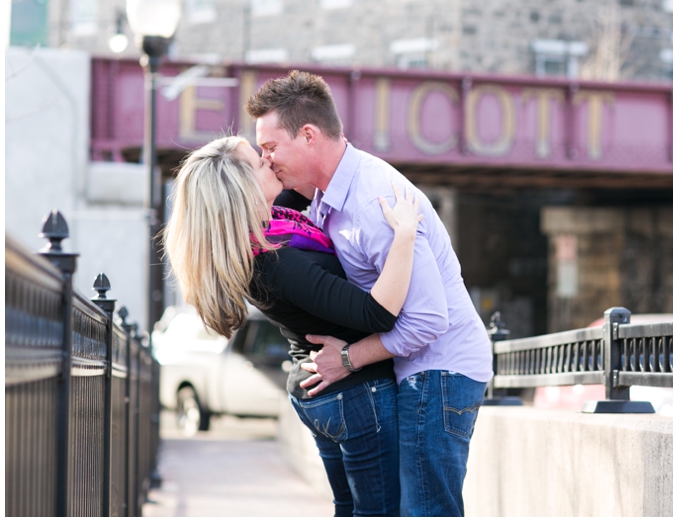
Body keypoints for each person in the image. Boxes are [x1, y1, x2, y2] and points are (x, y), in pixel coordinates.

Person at [248, 71, 494, 517]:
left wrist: (349, 358)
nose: (267, 161)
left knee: (425, 513)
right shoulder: (326, 198)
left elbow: (427, 321)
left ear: (308, 135)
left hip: (439, 370)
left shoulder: (374, 200)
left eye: (270, 148)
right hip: (415, 368)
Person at [163, 135, 424, 516]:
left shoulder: (274, 224)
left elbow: (314, 176)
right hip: (350, 395)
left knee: (351, 509)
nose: (268, 160)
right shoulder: (274, 262)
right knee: (378, 512)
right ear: (244, 191)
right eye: (258, 161)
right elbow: (379, 314)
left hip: (328, 389)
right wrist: (404, 235)